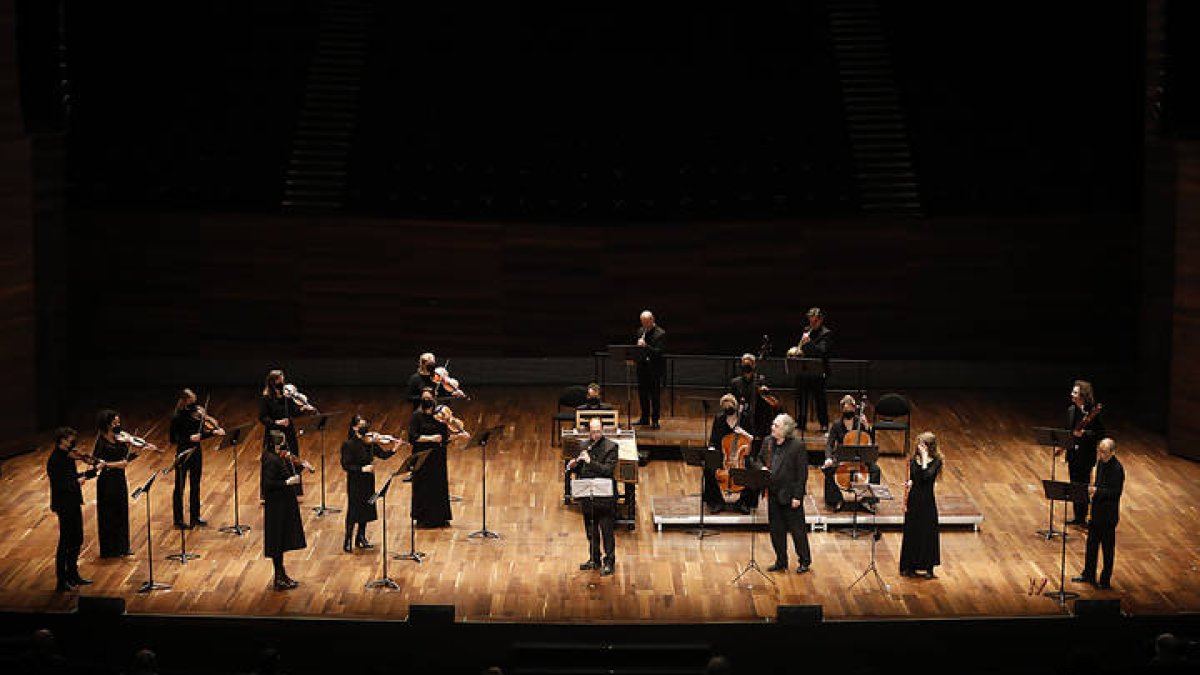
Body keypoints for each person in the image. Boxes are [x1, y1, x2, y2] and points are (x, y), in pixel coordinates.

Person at [94, 409, 157, 557]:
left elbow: (125, 459)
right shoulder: (101, 441)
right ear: (107, 424)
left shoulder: (119, 438)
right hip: (107, 481)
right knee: (108, 515)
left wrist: (140, 450)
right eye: (115, 422)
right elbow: (97, 464)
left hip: (119, 479)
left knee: (122, 511)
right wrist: (116, 464)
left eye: (118, 421)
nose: (118, 424)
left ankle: (122, 547)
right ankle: (109, 550)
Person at [46, 427, 98, 591]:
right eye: (70, 440)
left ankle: (73, 575)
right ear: (61, 440)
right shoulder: (55, 460)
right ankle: (62, 580)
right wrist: (77, 482)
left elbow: (73, 477)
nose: (73, 444)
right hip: (64, 504)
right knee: (65, 542)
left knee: (77, 539)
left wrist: (93, 472)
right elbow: (61, 485)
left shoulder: (68, 457)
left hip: (74, 502)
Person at [760, 413, 812, 574]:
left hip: (790, 496)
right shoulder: (768, 442)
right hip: (773, 494)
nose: (772, 428)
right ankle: (781, 561)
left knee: (798, 531)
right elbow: (758, 460)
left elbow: (802, 474)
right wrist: (761, 468)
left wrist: (798, 496)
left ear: (785, 429)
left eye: (776, 425)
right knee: (776, 531)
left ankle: (804, 561)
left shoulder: (797, 446)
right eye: (773, 424)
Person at [568, 418, 619, 576]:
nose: (595, 435)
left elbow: (607, 470)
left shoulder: (611, 447)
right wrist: (573, 466)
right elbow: (581, 471)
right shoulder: (583, 445)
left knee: (606, 531)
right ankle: (594, 559)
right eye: (592, 431)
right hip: (588, 496)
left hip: (604, 497)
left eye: (598, 431)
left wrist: (590, 462)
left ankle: (609, 561)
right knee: (591, 530)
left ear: (602, 430)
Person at [409, 388, 467, 527]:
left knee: (439, 485)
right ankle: (422, 518)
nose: (426, 401)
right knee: (423, 486)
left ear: (434, 399)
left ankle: (440, 517)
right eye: (424, 399)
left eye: (429, 398)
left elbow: (445, 436)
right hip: (422, 455)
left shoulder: (441, 414)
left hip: (438, 455)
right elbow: (413, 437)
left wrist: (457, 433)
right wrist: (431, 438)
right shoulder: (416, 416)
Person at [168, 389, 225, 529]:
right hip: (183, 453)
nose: (196, 405)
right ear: (184, 401)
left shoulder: (197, 414)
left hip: (196, 452)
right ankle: (178, 520)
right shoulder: (177, 417)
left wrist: (213, 432)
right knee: (179, 487)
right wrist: (188, 438)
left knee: (195, 485)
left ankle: (195, 516)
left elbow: (201, 434)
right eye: (192, 401)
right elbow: (172, 439)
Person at [340, 414, 397, 552]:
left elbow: (382, 455)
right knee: (354, 510)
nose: (364, 427)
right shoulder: (348, 444)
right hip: (355, 481)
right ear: (354, 428)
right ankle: (347, 540)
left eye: (365, 424)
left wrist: (394, 448)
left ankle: (361, 537)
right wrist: (361, 468)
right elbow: (346, 465)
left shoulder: (369, 442)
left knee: (366, 507)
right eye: (360, 424)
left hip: (368, 481)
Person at [1072, 437, 1124, 590]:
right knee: (1091, 546)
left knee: (1107, 550)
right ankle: (1088, 574)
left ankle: (1105, 580)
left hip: (1108, 516)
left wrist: (1096, 491)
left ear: (1112, 452)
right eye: (1099, 451)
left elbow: (1115, 493)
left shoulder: (1117, 469)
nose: (1100, 454)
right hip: (1096, 513)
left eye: (1104, 452)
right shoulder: (1100, 463)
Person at [727, 353, 775, 513]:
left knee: (753, 465)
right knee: (743, 463)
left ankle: (750, 501)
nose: (746, 366)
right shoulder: (735, 383)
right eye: (744, 363)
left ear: (754, 366)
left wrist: (764, 392)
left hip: (758, 429)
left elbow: (769, 406)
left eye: (749, 364)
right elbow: (731, 403)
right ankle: (742, 498)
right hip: (742, 428)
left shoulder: (760, 382)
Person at [261, 430, 307, 590]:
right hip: (277, 506)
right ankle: (279, 577)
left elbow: (287, 471)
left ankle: (281, 575)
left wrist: (300, 467)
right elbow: (268, 485)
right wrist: (288, 482)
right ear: (276, 443)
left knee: (281, 540)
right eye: (282, 442)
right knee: (277, 541)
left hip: (284, 502)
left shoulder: (276, 456)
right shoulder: (270, 460)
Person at [258, 370, 315, 496]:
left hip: (288, 431)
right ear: (272, 382)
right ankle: (269, 492)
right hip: (274, 432)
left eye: (283, 380)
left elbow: (293, 412)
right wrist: (277, 422)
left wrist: (302, 409)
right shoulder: (267, 398)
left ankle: (294, 490)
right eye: (279, 380)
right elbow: (263, 417)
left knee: (293, 456)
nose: (282, 383)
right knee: (274, 460)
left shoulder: (286, 396)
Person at [822, 395, 880, 511]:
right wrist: (828, 458)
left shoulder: (860, 422)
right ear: (842, 409)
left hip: (860, 458)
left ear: (854, 409)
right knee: (827, 469)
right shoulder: (837, 425)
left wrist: (868, 427)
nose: (848, 411)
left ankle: (867, 500)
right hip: (843, 458)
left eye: (850, 408)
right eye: (845, 408)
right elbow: (829, 444)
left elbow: (870, 441)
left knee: (875, 470)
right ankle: (836, 499)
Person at [900, 431, 943, 579]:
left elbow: (926, 477)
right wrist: (909, 482)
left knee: (927, 532)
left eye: (923, 444)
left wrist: (924, 460)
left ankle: (929, 568)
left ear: (930, 446)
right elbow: (915, 477)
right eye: (919, 444)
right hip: (914, 499)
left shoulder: (937, 461)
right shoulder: (913, 460)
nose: (919, 447)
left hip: (927, 501)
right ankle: (910, 565)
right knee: (912, 531)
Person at [1065, 380, 1104, 525]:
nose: (1072, 394)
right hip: (1073, 455)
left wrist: (1085, 434)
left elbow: (1100, 433)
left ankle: (1084, 516)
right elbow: (1069, 432)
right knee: (1074, 485)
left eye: (1075, 392)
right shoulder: (1071, 411)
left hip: (1085, 456)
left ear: (1083, 395)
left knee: (1083, 485)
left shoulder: (1093, 413)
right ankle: (1077, 517)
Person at [788, 307, 833, 432]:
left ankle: (824, 424)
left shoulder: (826, 333)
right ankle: (801, 422)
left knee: (820, 399)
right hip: (804, 370)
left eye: (814, 321)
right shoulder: (807, 330)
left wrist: (810, 342)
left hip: (818, 372)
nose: (811, 324)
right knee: (802, 398)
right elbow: (802, 349)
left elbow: (822, 352)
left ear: (820, 320)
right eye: (810, 321)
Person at [704, 393, 750, 514]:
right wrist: (712, 448)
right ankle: (717, 501)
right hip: (723, 454)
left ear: (735, 406)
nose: (727, 409)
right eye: (725, 407)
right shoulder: (719, 419)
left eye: (729, 406)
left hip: (740, 455)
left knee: (751, 468)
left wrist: (744, 433)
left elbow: (752, 438)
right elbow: (713, 439)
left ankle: (744, 502)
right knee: (709, 468)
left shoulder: (744, 418)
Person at [634, 310, 666, 428]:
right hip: (642, 368)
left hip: (654, 370)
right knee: (642, 395)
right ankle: (644, 418)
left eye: (646, 322)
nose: (644, 325)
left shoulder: (660, 333)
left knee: (655, 396)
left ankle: (655, 420)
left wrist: (645, 346)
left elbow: (659, 352)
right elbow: (638, 351)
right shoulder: (640, 331)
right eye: (642, 322)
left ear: (652, 320)